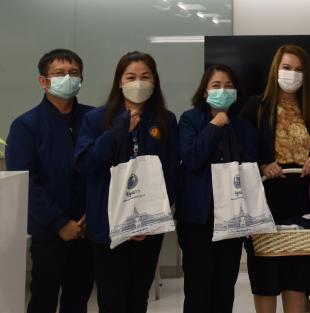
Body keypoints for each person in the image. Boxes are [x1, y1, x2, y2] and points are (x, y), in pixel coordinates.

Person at [74, 51, 179, 313]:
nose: (138, 82)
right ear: (120, 82)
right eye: (131, 77)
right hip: (107, 226)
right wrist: (118, 132)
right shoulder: (96, 119)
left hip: (148, 229)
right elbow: (85, 163)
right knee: (111, 300)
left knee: (138, 298)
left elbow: (172, 174)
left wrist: (148, 220)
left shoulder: (165, 120)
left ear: (154, 81)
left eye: (145, 76)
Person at [6, 49, 94, 313]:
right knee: (43, 299)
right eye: (59, 73)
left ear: (81, 79)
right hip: (48, 231)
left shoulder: (94, 119)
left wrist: (91, 216)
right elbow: (27, 182)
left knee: (78, 299)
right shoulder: (26, 125)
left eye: (74, 73)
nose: (68, 78)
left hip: (88, 228)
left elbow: (102, 169)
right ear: (43, 81)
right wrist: (60, 223)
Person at [241, 45, 310, 313]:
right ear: (275, 70)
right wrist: (262, 166)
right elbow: (241, 153)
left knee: (297, 281)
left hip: (302, 205)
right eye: (287, 68)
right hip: (265, 203)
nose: (293, 74)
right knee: (265, 280)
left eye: (299, 69)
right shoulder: (256, 106)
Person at [177, 64, 257, 313]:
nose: (223, 90)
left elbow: (250, 170)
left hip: (232, 218)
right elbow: (191, 158)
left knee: (224, 288)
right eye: (216, 85)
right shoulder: (190, 120)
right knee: (198, 290)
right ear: (204, 91)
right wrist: (215, 126)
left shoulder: (245, 127)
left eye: (228, 86)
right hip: (198, 219)